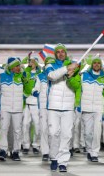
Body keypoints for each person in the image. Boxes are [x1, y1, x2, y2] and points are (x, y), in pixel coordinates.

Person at [45, 43, 79, 172]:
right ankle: (54, 157)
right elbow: (52, 76)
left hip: (69, 107)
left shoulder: (75, 67)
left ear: (66, 53)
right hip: (53, 105)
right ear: (55, 54)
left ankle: (63, 162)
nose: (60, 53)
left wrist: (72, 75)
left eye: (62, 52)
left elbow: (77, 85)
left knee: (67, 134)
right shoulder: (50, 65)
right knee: (53, 133)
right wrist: (67, 68)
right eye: (58, 52)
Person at [0, 57, 27, 162]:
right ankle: (3, 151)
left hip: (18, 108)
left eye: (19, 65)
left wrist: (26, 80)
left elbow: (28, 91)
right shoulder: (2, 76)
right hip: (5, 108)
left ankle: (15, 151)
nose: (19, 67)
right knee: (3, 129)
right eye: (16, 65)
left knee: (17, 131)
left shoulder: (22, 76)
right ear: (11, 67)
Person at [80, 56, 104, 162]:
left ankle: (94, 153)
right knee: (87, 132)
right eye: (94, 63)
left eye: (98, 63)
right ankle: (89, 150)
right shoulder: (84, 76)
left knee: (97, 131)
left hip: (98, 108)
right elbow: (77, 90)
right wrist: (76, 104)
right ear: (92, 65)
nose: (96, 64)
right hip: (86, 108)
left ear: (100, 65)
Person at [32, 56, 55, 161]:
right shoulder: (40, 76)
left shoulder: (56, 76)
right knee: (44, 128)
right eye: (47, 64)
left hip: (54, 105)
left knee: (53, 130)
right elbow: (35, 87)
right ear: (45, 65)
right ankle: (45, 152)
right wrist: (34, 92)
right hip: (43, 106)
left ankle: (54, 150)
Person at [22, 57, 42, 155]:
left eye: (34, 62)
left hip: (36, 103)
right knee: (25, 124)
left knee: (37, 125)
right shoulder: (26, 73)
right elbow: (23, 76)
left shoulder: (40, 74)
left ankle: (36, 145)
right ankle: (25, 145)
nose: (32, 63)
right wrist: (28, 67)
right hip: (26, 102)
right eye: (31, 62)